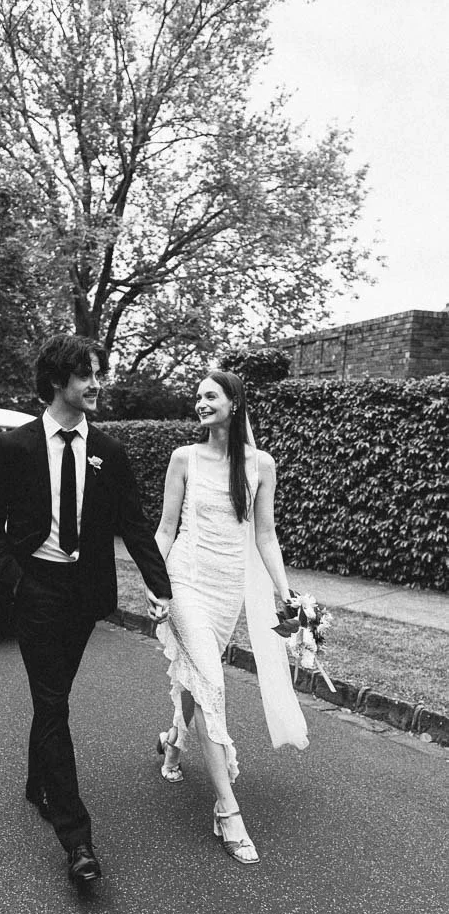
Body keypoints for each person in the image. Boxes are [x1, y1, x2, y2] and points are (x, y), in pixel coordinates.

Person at [0, 334, 172, 885]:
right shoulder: (15, 447)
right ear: (59, 381)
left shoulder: (111, 450)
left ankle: (38, 781)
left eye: (96, 373)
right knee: (54, 701)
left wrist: (163, 589)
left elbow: (133, 525)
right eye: (87, 375)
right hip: (35, 589)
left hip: (85, 596)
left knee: (53, 695)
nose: (96, 384)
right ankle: (76, 838)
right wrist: (16, 583)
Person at [154, 370, 308, 866]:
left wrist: (289, 598)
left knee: (200, 680)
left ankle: (174, 741)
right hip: (184, 584)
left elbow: (265, 537)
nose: (200, 403)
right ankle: (228, 810)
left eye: (210, 395)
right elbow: (164, 529)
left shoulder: (261, 464)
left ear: (234, 403)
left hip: (227, 593)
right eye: (197, 396)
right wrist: (156, 586)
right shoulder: (184, 459)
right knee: (212, 682)